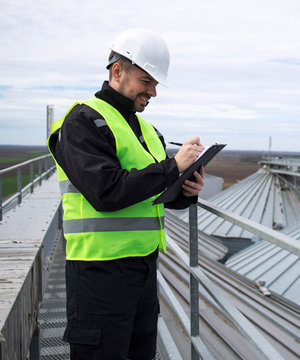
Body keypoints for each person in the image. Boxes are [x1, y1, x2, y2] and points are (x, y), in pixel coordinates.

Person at [47, 28, 204, 359]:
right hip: (99, 274)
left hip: (143, 270)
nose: (153, 92)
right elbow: (106, 192)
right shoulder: (82, 120)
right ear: (117, 71)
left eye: (156, 84)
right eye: (147, 81)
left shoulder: (147, 129)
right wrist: (172, 166)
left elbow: (155, 193)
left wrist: (186, 189)